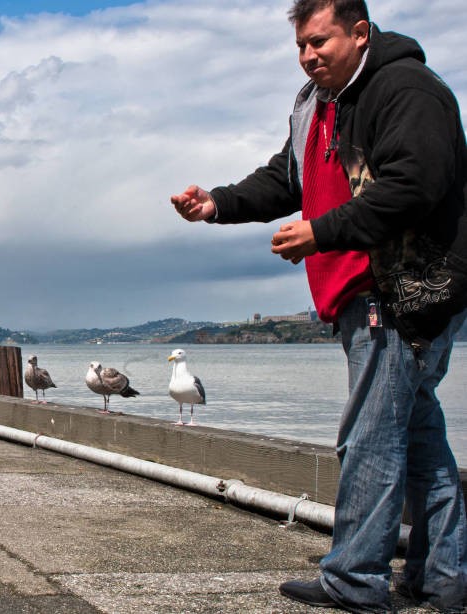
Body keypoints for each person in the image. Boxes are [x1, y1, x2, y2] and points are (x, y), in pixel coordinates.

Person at [170, 1, 467, 611]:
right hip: (356, 293)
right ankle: (446, 577)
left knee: (371, 439)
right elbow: (287, 177)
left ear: (360, 33)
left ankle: (355, 579)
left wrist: (321, 232)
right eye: (301, 45)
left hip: (403, 290)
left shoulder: (407, 89)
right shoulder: (316, 102)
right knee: (416, 435)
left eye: (320, 42)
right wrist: (217, 204)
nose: (308, 56)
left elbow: (416, 184)